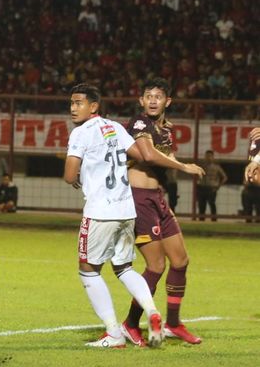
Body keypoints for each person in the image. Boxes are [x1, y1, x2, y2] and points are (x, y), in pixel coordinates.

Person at [64, 84, 163, 348]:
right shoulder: (116, 127)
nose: (73, 108)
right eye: (72, 103)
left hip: (100, 212)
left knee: (88, 270)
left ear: (94, 106)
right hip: (126, 210)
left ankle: (113, 333)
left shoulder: (80, 133)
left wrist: (83, 173)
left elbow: (68, 175)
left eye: (79, 103)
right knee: (124, 268)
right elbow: (140, 155)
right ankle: (151, 310)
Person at [121, 78, 206, 346]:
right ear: (141, 101)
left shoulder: (166, 130)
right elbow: (147, 156)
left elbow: (159, 165)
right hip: (139, 200)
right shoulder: (139, 123)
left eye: (159, 96)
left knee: (180, 260)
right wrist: (184, 167)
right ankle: (131, 323)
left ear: (167, 101)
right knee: (156, 266)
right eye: (149, 96)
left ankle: (173, 323)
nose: (153, 100)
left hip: (158, 199)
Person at [196, 150, 227, 222]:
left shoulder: (217, 167)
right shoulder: (201, 166)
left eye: (210, 156)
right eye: (206, 156)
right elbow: (194, 175)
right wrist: (197, 182)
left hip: (212, 188)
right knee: (201, 205)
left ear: (213, 157)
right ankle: (201, 220)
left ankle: (214, 220)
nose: (208, 158)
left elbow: (225, 177)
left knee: (212, 204)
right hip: (202, 187)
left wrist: (218, 186)